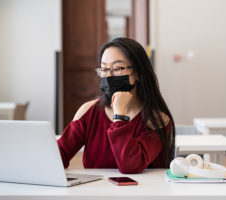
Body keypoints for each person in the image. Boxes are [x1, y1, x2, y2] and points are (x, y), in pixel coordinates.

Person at [57, 38, 175, 174]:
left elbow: (130, 166)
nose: (109, 75)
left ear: (137, 73)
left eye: (117, 68)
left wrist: (119, 116)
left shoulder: (157, 119)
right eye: (104, 69)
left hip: (141, 193)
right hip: (96, 192)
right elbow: (58, 155)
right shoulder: (89, 111)